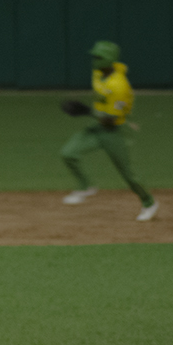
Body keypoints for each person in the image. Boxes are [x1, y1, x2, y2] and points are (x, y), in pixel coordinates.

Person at [59, 40, 159, 221]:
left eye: (98, 57)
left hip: (114, 132)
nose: (94, 60)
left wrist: (86, 111)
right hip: (98, 127)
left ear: (109, 59)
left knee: (129, 175)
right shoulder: (98, 73)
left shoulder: (119, 85)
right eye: (94, 56)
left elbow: (112, 120)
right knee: (68, 153)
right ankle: (85, 186)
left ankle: (149, 202)